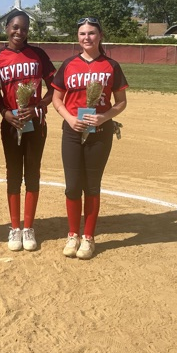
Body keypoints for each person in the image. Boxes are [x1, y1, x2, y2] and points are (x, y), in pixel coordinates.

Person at [52, 17, 128, 260]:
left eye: (91, 33)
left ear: (100, 36)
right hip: (72, 131)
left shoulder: (111, 66)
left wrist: (104, 117)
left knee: (92, 186)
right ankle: (73, 234)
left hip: (100, 133)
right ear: (78, 37)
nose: (87, 37)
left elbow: (121, 102)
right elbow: (56, 99)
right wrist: (69, 118)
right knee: (73, 185)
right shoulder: (68, 64)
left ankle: (88, 237)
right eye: (83, 33)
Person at [0, 11, 55, 251]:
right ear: (6, 28)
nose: (20, 32)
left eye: (24, 28)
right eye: (15, 27)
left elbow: (56, 87)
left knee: (33, 173)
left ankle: (29, 227)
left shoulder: (38, 54)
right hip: (11, 123)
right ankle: (15, 227)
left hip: (35, 123)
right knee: (13, 174)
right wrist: (5, 113)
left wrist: (39, 106)